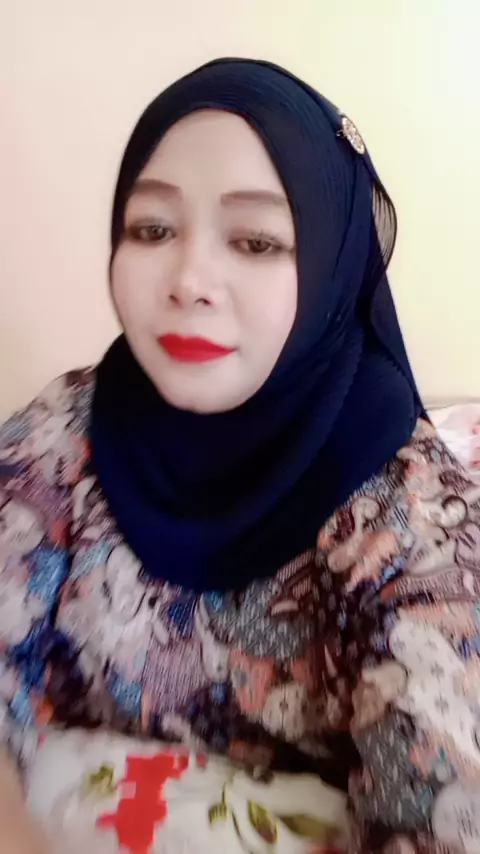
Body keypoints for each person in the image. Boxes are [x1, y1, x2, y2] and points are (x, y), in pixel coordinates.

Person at [0, 57, 479, 854]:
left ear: (332, 266)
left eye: (256, 241)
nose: (189, 280)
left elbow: (447, 801)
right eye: (152, 229)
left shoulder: (411, 510)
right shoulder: (63, 433)